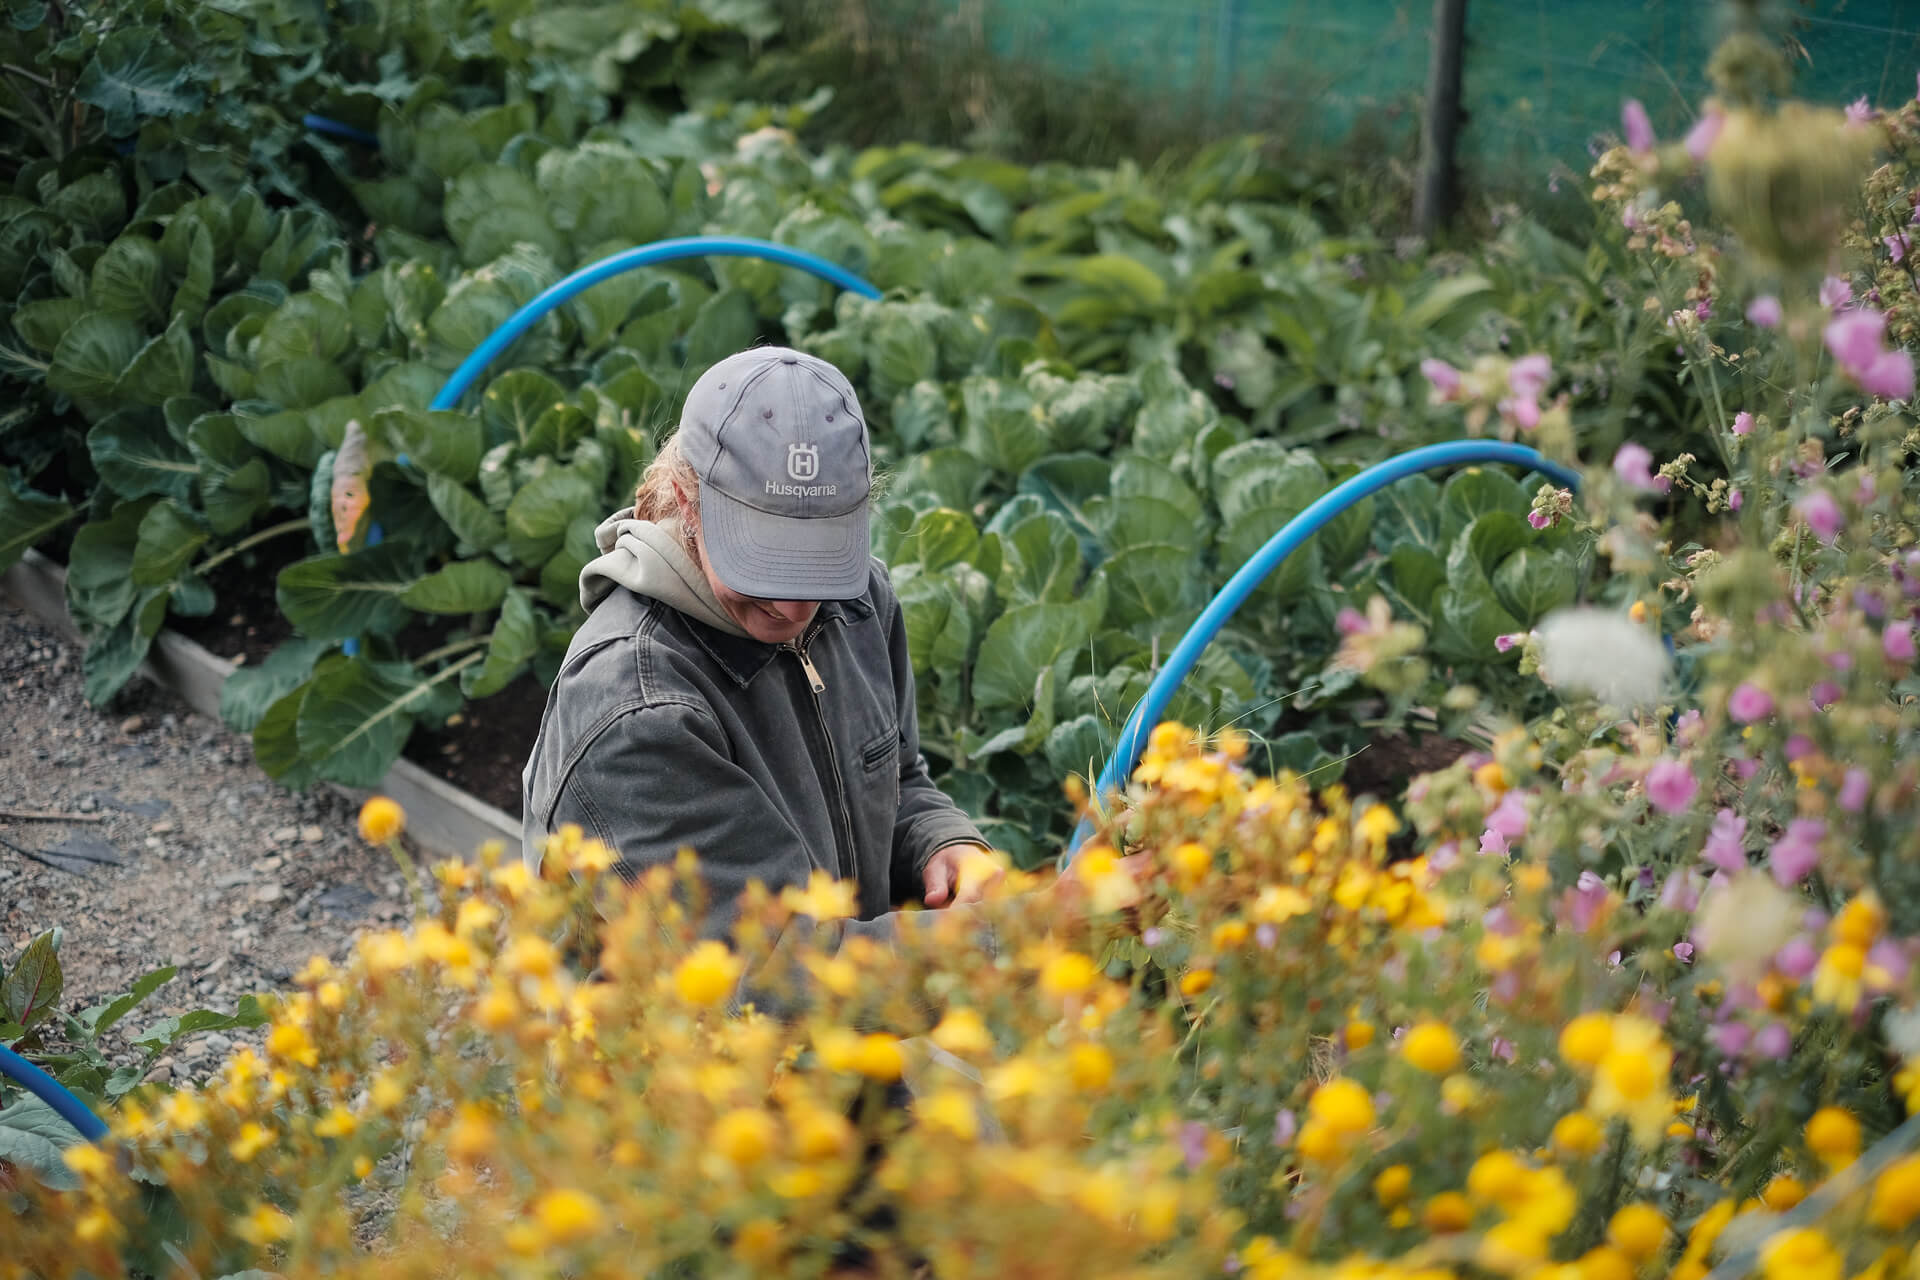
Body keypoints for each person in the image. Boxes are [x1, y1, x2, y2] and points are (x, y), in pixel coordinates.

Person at [520, 346, 1005, 964]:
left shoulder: (858, 602)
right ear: (686, 501)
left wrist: (943, 843)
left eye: (820, 558)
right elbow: (777, 968)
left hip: (845, 1039)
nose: (798, 606)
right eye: (767, 561)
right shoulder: (637, 707)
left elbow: (899, 779)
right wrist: (1030, 930)